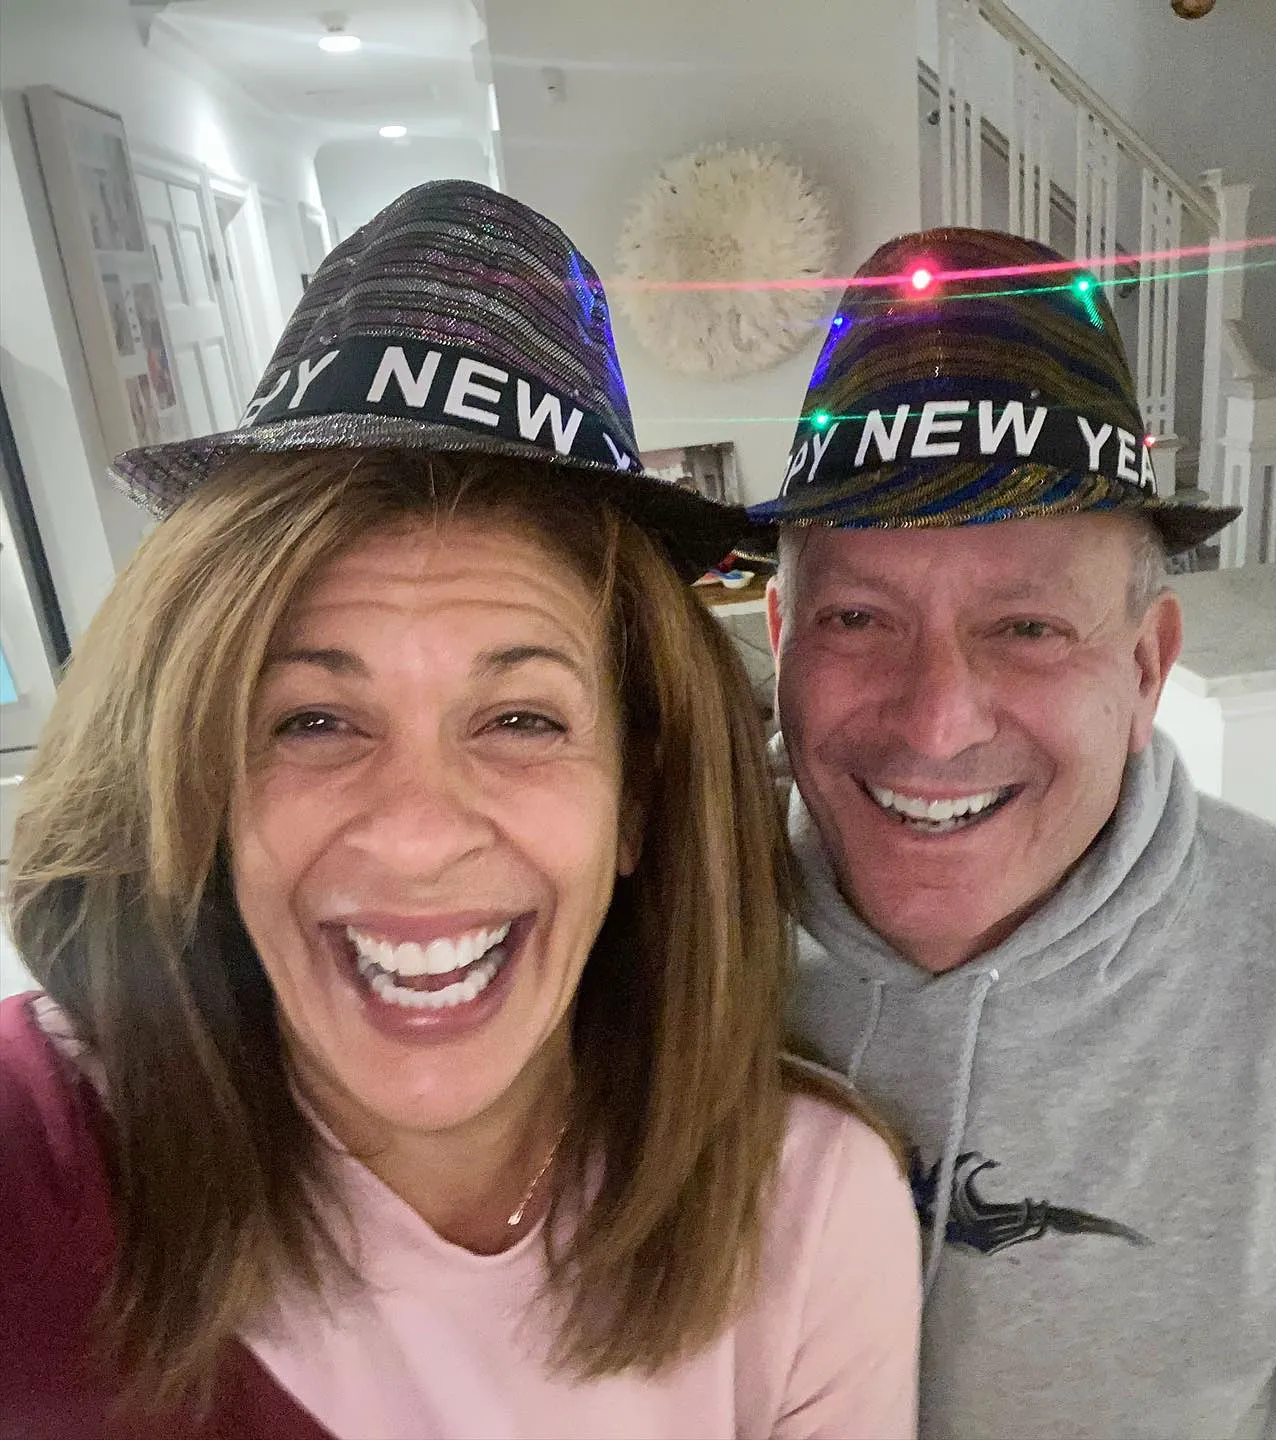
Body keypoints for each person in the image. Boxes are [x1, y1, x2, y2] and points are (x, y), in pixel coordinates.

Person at [0, 182, 920, 1440]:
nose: (419, 833)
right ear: (199, 776)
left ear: (639, 800)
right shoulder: (35, 1154)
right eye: (313, 722)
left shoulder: (805, 1211)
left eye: (522, 720)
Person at [749, 227, 1276, 1439]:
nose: (938, 722)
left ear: (1145, 667)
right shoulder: (651, 931)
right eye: (858, 617)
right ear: (779, 637)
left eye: (1027, 628)